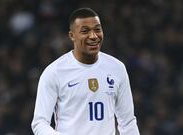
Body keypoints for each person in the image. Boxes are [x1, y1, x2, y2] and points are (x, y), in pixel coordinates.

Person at [31, 7, 140, 135]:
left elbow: (127, 122)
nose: (93, 36)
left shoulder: (117, 68)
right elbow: (39, 123)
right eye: (85, 31)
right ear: (72, 36)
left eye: (97, 29)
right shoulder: (54, 72)